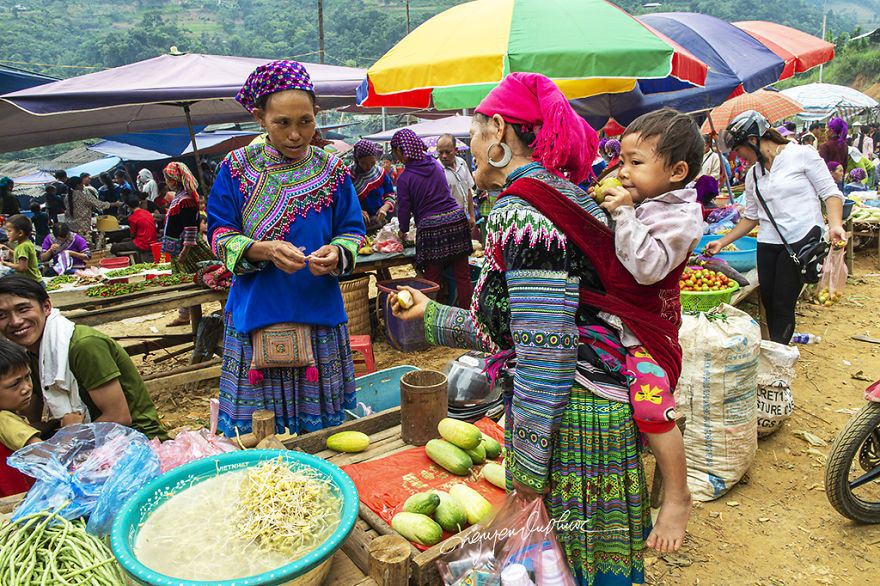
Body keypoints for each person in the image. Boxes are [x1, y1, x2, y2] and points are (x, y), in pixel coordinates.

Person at [393, 72, 666, 583]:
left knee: (561, 564)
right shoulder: (560, 195)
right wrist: (431, 318)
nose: (471, 147)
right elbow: (526, 331)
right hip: (597, 403)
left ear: (498, 131)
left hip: (573, 423)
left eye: (475, 133)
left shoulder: (520, 213)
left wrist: (528, 466)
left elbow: (546, 355)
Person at [206, 60, 366, 436]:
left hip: (318, 313)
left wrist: (339, 252)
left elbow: (352, 229)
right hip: (258, 311)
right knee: (260, 438)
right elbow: (218, 234)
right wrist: (264, 250)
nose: (296, 135)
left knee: (325, 437)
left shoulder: (333, 170)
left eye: (306, 122)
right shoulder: (235, 169)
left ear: (316, 116)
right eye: (283, 123)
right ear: (261, 118)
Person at [593, 108, 704, 555]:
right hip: (620, 324)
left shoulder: (682, 217)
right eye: (622, 161)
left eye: (636, 162)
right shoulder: (647, 204)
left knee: (652, 406)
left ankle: (677, 495)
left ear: (677, 172)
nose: (623, 171)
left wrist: (623, 216)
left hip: (647, 334)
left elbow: (647, 267)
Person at [709, 111, 846, 344]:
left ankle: (779, 357)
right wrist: (723, 242)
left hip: (801, 240)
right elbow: (751, 218)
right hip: (768, 243)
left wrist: (834, 225)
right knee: (770, 300)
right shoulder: (754, 174)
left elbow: (831, 193)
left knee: (783, 303)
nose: (739, 156)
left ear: (753, 140)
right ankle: (776, 348)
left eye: (739, 149)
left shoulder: (802, 155)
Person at [0, 276, 167, 439]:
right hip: (86, 435)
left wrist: (69, 435)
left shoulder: (83, 346)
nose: (15, 322)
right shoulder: (31, 355)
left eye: (23, 309)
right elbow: (31, 419)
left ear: (46, 307)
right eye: (2, 315)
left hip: (135, 438)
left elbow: (119, 418)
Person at [392, 128, 473, 309]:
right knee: (463, 277)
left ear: (400, 151)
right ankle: (471, 318)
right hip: (457, 220)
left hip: (432, 229)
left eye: (395, 151)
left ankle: (433, 322)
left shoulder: (405, 178)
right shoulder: (435, 165)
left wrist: (403, 230)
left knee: (432, 280)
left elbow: (404, 211)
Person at [162, 162, 216, 327]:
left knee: (202, 277)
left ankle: (222, 307)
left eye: (166, 178)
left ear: (173, 180)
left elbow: (191, 227)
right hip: (180, 247)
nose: (165, 181)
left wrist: (185, 250)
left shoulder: (186, 200)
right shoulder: (181, 197)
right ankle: (184, 314)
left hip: (188, 248)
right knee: (184, 282)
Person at [0, 338, 41, 496]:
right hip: (20, 498)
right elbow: (40, 450)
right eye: (15, 384)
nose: (27, 388)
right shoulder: (4, 419)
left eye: (27, 377)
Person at [350, 139, 395, 228]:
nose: (369, 166)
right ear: (357, 160)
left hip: (379, 221)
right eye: (364, 163)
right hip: (357, 224)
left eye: (372, 162)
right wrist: (358, 210)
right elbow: (344, 201)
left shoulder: (380, 173)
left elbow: (390, 194)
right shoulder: (348, 175)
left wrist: (384, 208)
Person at [437, 133, 477, 230]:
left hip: (464, 217)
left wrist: (472, 215)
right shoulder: (436, 170)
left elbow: (468, 190)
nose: (444, 156)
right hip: (447, 222)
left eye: (448, 152)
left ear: (455, 150)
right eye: (440, 152)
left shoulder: (462, 163)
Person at [110, 193, 157, 260]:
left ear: (127, 206)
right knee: (124, 240)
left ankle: (124, 261)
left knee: (115, 247)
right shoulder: (147, 213)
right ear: (139, 202)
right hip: (152, 241)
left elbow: (133, 235)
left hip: (142, 244)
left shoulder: (132, 218)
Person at [1, 215, 41, 283]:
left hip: (30, 283)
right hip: (33, 281)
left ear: (20, 233)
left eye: (9, 231)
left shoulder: (22, 247)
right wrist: (6, 248)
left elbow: (22, 267)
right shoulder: (27, 243)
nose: (7, 234)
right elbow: (19, 257)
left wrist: (6, 264)